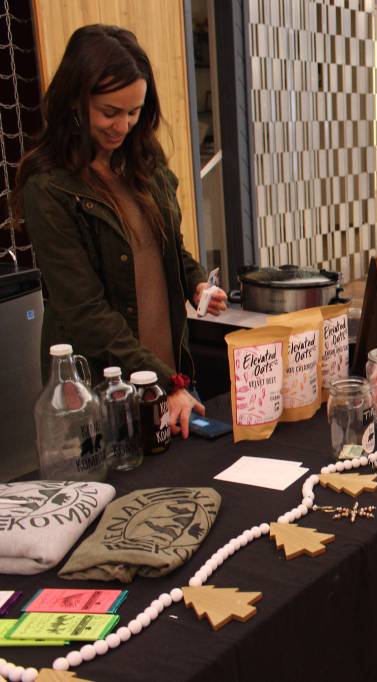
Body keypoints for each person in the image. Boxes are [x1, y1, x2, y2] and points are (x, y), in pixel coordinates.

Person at [16, 24, 226, 438]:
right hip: (104, 396)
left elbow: (170, 249)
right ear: (75, 101)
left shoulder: (144, 164)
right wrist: (164, 381)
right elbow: (85, 312)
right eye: (110, 112)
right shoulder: (49, 188)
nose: (122, 126)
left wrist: (197, 283)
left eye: (133, 113)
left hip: (171, 382)